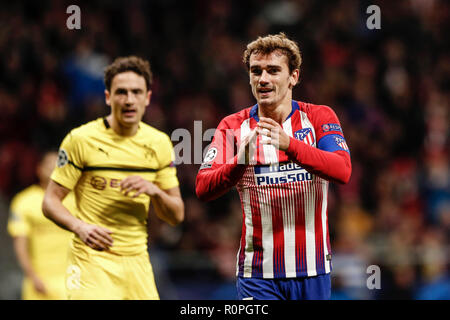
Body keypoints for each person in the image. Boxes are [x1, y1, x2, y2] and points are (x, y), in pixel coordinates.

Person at [196, 33, 352, 300]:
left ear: (293, 77)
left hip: (312, 271)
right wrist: (239, 162)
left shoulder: (318, 117)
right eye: (256, 71)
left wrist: (289, 145)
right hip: (257, 276)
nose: (263, 79)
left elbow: (342, 170)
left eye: (273, 70)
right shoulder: (233, 126)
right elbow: (203, 188)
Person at [42, 56, 184, 300]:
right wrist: (80, 227)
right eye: (121, 92)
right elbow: (50, 201)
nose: (129, 100)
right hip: (91, 260)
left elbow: (176, 214)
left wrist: (154, 191)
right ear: (108, 97)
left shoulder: (159, 143)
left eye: (136, 92)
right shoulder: (80, 140)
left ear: (147, 98)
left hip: (137, 262)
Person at [8, 151, 75, 300]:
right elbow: (20, 243)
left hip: (75, 280)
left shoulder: (79, 199)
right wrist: (32, 276)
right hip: (41, 281)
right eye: (49, 165)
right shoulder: (24, 201)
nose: (53, 169)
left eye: (58, 166)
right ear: (38, 169)